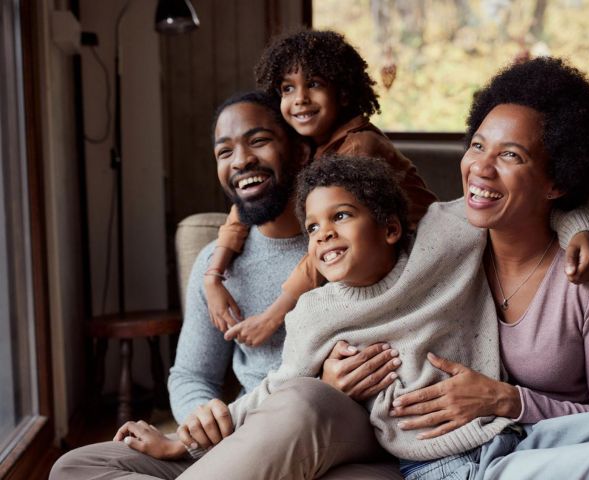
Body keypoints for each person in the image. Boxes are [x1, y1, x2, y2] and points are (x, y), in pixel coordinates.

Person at [49, 92, 403, 479]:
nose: (241, 160)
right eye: (224, 151)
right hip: (243, 435)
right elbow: (190, 374)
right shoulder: (217, 264)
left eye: (258, 141)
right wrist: (203, 417)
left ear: (301, 152)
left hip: (338, 437)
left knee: (304, 400)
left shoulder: (348, 242)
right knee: (78, 467)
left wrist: (327, 386)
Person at [206, 29, 589, 349]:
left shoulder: (359, 147)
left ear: (342, 92)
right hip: (385, 256)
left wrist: (276, 313)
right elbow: (245, 199)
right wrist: (214, 273)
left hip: (426, 252)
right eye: (287, 89)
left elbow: (326, 245)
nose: (299, 99)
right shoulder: (306, 146)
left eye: (314, 85)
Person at [112, 153, 514, 464]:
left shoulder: (442, 238)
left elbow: (530, 197)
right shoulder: (313, 312)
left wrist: (579, 231)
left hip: (502, 428)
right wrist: (179, 441)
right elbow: (274, 389)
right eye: (313, 228)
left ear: (391, 228)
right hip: (424, 458)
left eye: (340, 216)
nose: (324, 235)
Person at [388, 57, 589, 479]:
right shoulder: (442, 239)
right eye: (478, 146)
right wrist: (331, 368)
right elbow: (361, 295)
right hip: (478, 455)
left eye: (510, 155)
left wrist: (508, 400)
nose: (480, 167)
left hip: (557, 438)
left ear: (557, 183)